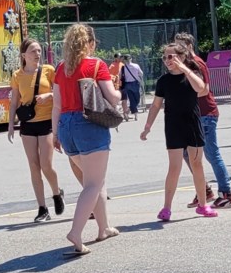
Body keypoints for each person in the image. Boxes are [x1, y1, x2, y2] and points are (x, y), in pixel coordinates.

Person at [52, 24, 120, 256]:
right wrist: (118, 89)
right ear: (89, 43)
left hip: (66, 127)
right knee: (92, 184)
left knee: (96, 181)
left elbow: (57, 104)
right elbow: (113, 97)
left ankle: (104, 228)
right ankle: (76, 232)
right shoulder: (96, 65)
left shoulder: (61, 68)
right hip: (89, 125)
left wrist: (55, 134)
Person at [141, 43, 218, 221]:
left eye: (171, 56)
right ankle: (166, 208)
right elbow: (156, 105)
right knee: (174, 167)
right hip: (173, 125)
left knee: (197, 164)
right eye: (165, 57)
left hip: (192, 124)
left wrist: (184, 68)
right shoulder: (163, 81)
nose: (167, 60)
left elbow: (200, 88)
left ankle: (203, 204)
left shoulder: (191, 75)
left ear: (181, 56)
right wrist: (147, 127)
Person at [9, 37, 65, 224]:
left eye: (39, 50)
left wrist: (49, 95)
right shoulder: (17, 75)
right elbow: (15, 101)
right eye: (33, 51)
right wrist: (10, 124)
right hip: (28, 124)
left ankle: (57, 193)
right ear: (24, 55)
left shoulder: (48, 70)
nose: (37, 54)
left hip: (47, 121)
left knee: (46, 165)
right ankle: (42, 208)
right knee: (34, 166)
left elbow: (59, 92)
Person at [174, 32, 231, 208]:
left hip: (206, 114)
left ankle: (227, 193)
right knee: (187, 153)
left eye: (180, 47)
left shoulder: (197, 64)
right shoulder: (183, 65)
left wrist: (184, 96)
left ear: (189, 46)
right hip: (193, 115)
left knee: (211, 153)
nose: (177, 50)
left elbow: (204, 90)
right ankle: (204, 190)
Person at [119, 54, 143, 119]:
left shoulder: (123, 68)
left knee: (132, 99)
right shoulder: (136, 65)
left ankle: (128, 112)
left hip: (127, 84)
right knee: (137, 99)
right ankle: (135, 114)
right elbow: (141, 73)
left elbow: (120, 76)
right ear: (131, 59)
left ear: (124, 60)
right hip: (135, 83)